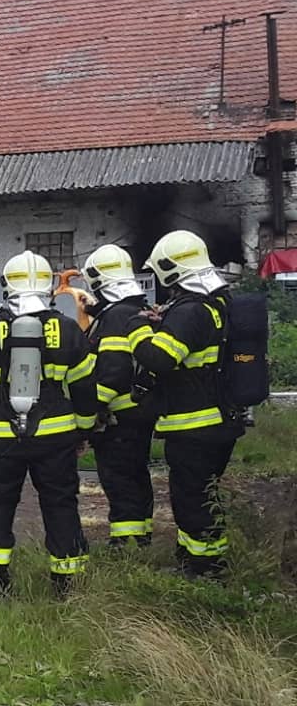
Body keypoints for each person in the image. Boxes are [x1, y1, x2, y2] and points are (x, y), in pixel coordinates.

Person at [0, 251, 97, 599]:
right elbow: (84, 390)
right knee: (61, 506)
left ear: (7, 285)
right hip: (56, 437)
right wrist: (83, 431)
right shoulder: (68, 329)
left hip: (1, 438)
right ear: (49, 286)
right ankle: (69, 586)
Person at [134, 229, 244, 578]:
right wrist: (165, 322)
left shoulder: (189, 311)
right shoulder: (216, 303)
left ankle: (206, 569)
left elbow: (160, 359)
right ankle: (191, 557)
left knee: (192, 500)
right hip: (219, 421)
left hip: (194, 426)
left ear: (171, 269)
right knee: (200, 496)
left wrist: (136, 330)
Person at [79, 244, 157, 548]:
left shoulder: (115, 317)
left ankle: (126, 542)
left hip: (119, 416)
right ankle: (142, 533)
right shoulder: (133, 310)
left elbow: (113, 371)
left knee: (119, 478)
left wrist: (89, 410)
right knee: (136, 473)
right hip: (139, 410)